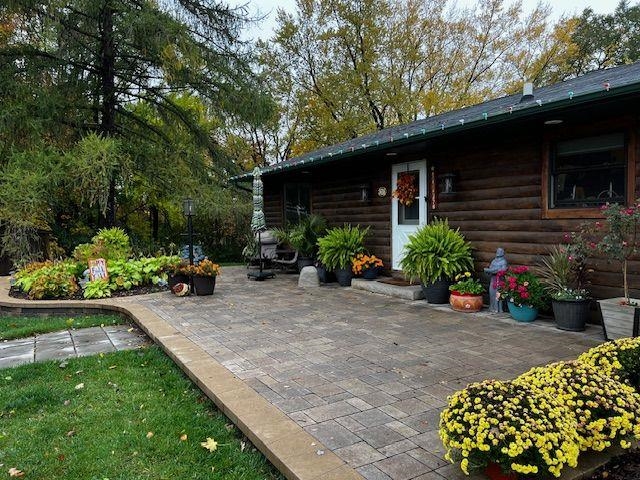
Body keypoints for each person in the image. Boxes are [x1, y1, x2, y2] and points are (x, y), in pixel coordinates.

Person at [484, 248, 507, 313]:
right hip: (493, 280)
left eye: (500, 251)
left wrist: (494, 270)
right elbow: (491, 269)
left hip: (499, 280)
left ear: (502, 253)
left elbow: (503, 270)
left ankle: (498, 309)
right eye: (497, 251)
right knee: (492, 293)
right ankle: (492, 307)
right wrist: (489, 271)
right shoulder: (494, 261)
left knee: (498, 294)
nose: (498, 252)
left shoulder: (503, 261)